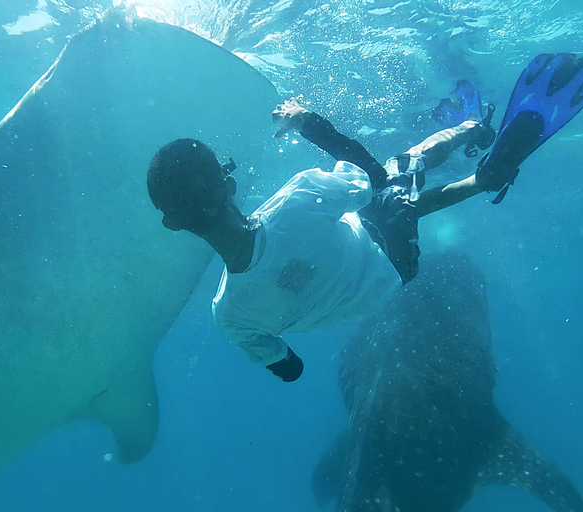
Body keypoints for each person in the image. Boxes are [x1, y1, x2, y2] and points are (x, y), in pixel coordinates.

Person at [146, 97, 497, 382]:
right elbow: (370, 176)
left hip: (396, 275)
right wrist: (305, 121)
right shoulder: (298, 200)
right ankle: (474, 127)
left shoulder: (229, 316)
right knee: (399, 168)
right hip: (384, 234)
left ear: (172, 223)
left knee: (394, 205)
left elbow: (290, 369)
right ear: (229, 186)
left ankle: (480, 182)